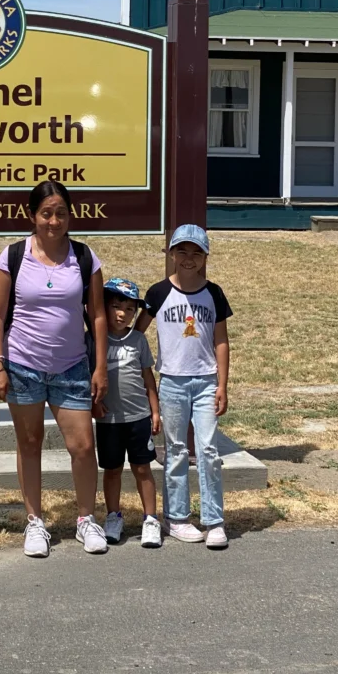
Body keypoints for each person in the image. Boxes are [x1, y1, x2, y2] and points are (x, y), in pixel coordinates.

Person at [0, 181, 109, 557]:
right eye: (46, 213)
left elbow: (99, 315)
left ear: (70, 215)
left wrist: (100, 366)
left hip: (72, 366)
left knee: (83, 446)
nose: (54, 221)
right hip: (23, 364)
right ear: (32, 216)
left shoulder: (85, 258)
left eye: (61, 213)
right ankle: (35, 522)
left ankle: (86, 520)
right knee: (29, 444)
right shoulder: (12, 256)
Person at [136, 224, 231, 549]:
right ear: (171, 254)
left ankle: (214, 520)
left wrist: (222, 383)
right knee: (176, 450)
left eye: (196, 253)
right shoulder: (158, 293)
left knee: (207, 449)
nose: (189, 258)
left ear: (205, 257)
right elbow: (138, 333)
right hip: (172, 382)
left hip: (205, 381)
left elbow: (220, 339)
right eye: (183, 251)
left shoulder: (214, 293)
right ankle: (176, 518)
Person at [96, 278, 161, 548]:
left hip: (139, 419)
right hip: (108, 420)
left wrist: (155, 411)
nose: (123, 313)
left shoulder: (138, 340)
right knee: (112, 471)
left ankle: (150, 520)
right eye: (116, 306)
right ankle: (113, 517)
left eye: (131, 309)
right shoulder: (95, 340)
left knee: (142, 469)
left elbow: (148, 378)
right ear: (104, 307)